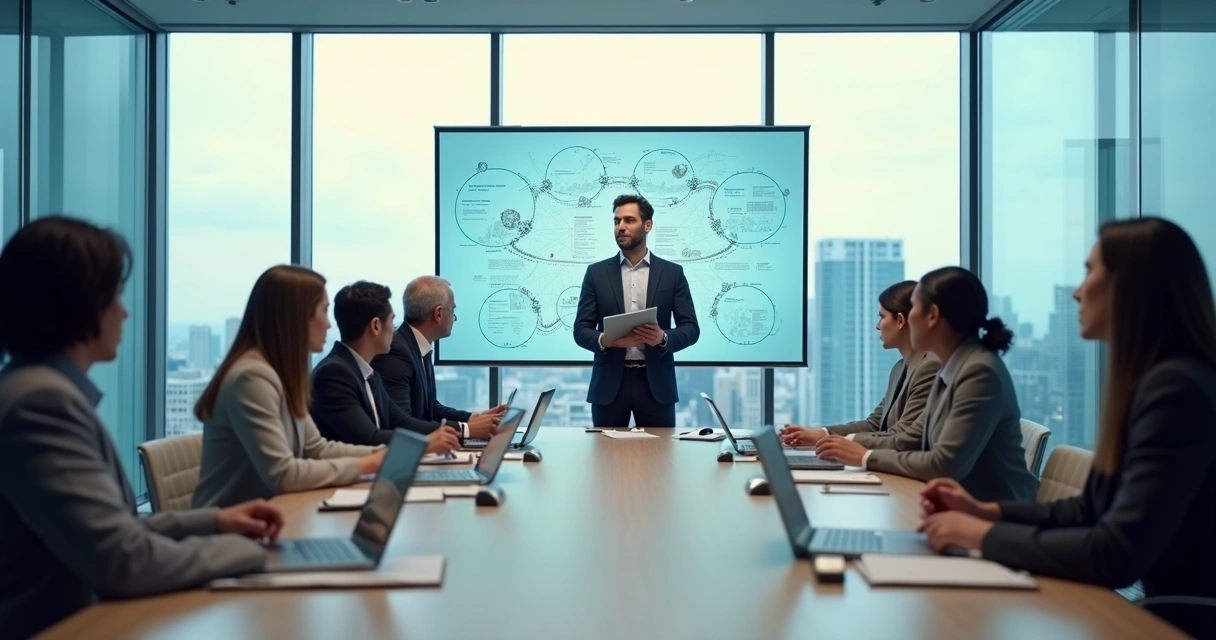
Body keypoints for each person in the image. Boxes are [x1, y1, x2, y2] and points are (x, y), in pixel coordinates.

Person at [919, 218, 1216, 638]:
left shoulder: (1176, 390)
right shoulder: (1153, 383)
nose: (1078, 291)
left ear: (1131, 288)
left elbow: (1116, 554)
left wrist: (983, 536)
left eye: (1090, 271)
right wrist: (987, 512)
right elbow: (1089, 510)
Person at [0, 217, 280, 639]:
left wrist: (216, 521)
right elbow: (123, 560)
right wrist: (250, 553)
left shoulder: (34, 388)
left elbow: (113, 531)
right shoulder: (40, 403)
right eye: (114, 294)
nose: (125, 311)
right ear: (77, 303)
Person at [817, 266, 1038, 501]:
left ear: (932, 315)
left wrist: (864, 456)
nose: (908, 318)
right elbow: (916, 438)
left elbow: (943, 464)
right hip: (962, 504)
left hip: (998, 512)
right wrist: (850, 446)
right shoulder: (951, 367)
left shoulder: (979, 373)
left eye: (914, 308)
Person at [193, 265, 385, 508]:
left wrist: (379, 454)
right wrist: (367, 464)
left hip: (271, 514)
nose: (329, 324)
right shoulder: (252, 377)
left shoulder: (280, 373)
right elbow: (283, 475)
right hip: (231, 525)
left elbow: (315, 448)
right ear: (297, 316)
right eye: (324, 311)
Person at [573, 194, 700, 428]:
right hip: (609, 386)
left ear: (647, 225)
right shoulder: (596, 273)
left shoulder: (672, 274)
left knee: (660, 451)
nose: (620, 227)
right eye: (616, 221)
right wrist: (608, 341)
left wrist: (662, 338)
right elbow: (580, 330)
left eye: (629, 220)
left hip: (656, 386)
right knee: (605, 451)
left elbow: (691, 329)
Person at [781, 280, 940, 450]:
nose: (878, 326)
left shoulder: (929, 367)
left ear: (900, 321)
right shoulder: (900, 368)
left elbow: (902, 435)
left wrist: (840, 443)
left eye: (882, 317)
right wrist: (820, 434)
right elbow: (874, 424)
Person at [310, 281, 460, 454]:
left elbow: (400, 421)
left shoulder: (367, 374)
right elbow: (369, 439)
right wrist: (428, 443)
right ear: (376, 326)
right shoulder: (334, 373)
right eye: (392, 320)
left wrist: (453, 433)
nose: (395, 329)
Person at [370, 276, 507, 440]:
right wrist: (467, 430)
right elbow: (401, 425)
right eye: (452, 311)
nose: (454, 318)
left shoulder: (419, 346)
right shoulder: (396, 352)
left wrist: (473, 418)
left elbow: (430, 409)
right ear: (439, 314)